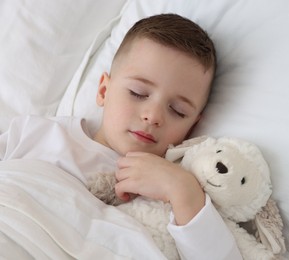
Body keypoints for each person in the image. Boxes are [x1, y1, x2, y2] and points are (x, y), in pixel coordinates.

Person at [0, 14, 242, 259]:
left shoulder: (175, 192)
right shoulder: (41, 134)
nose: (152, 115)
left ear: (191, 128)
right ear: (104, 90)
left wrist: (181, 190)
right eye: (138, 93)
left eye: (177, 111)